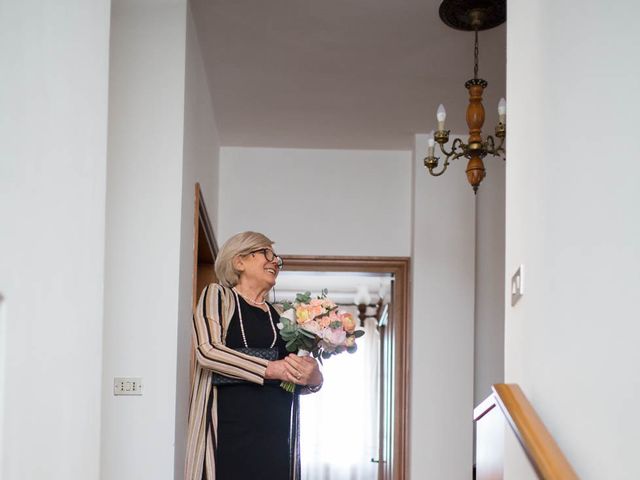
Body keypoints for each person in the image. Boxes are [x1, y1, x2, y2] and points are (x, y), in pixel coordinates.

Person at [185, 231, 323, 480]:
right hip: (229, 433)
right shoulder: (218, 296)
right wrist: (272, 369)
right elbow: (208, 351)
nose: (275, 262)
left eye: (277, 259)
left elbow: (293, 377)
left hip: (275, 435)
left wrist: (314, 378)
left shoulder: (282, 314)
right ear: (239, 261)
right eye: (267, 254)